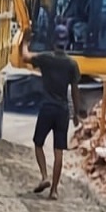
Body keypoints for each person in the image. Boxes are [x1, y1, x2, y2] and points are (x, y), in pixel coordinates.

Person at [20, 30, 83, 200]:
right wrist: (76, 113)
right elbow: (75, 91)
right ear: (67, 43)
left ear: (53, 42)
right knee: (59, 151)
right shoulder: (71, 64)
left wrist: (24, 41)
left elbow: (25, 56)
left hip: (47, 108)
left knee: (38, 143)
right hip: (63, 110)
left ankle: (44, 176)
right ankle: (54, 190)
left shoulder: (45, 58)